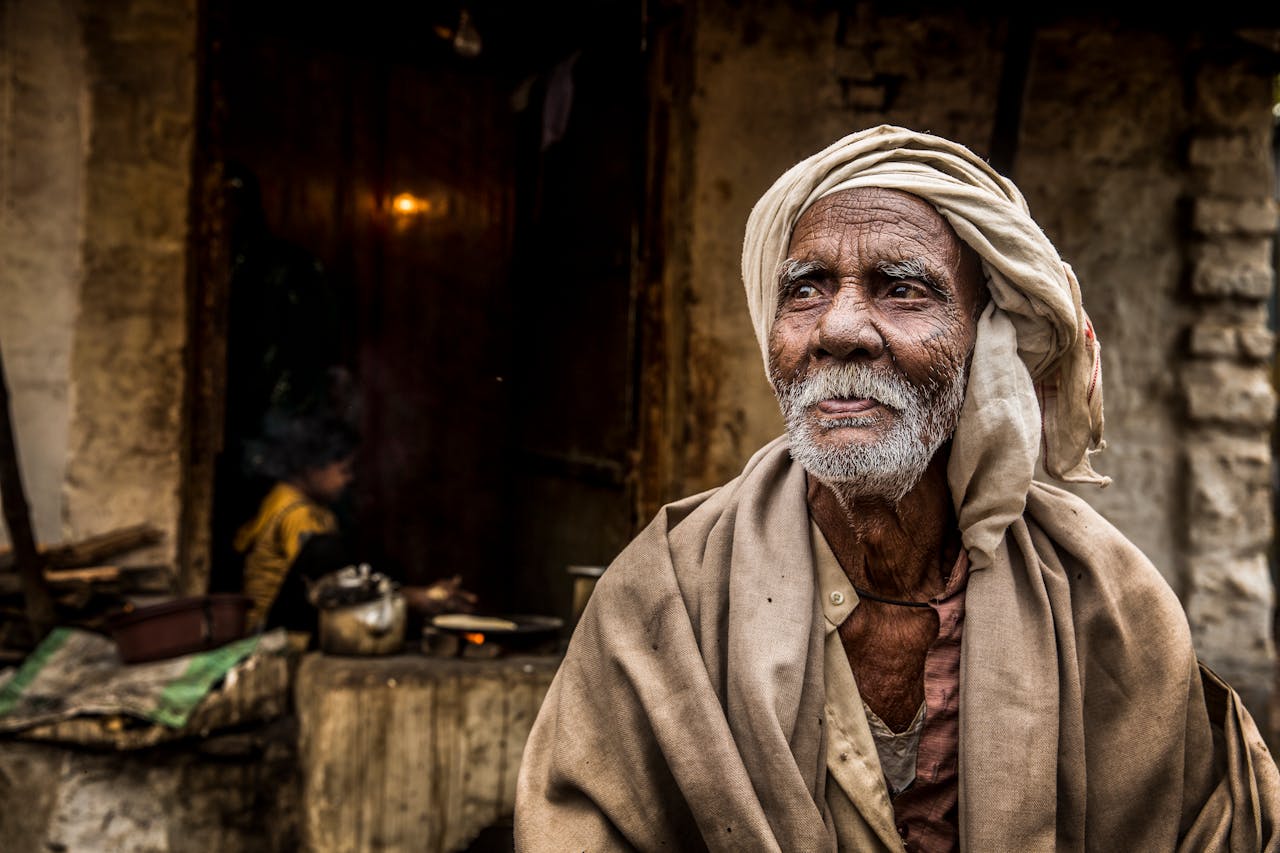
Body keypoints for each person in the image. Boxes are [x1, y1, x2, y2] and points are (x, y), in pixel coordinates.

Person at [515, 126, 1280, 851]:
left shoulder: (1108, 608)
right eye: (807, 288)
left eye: (903, 289)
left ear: (987, 339)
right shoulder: (666, 597)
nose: (841, 326)